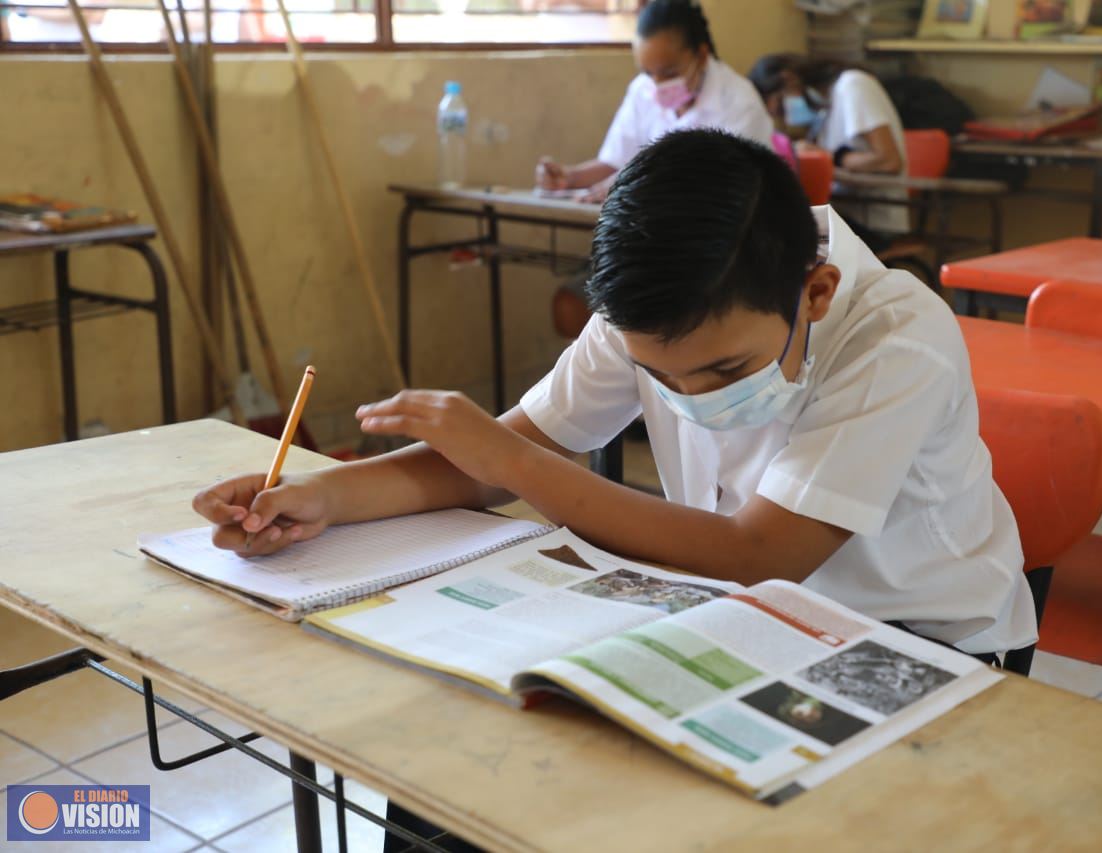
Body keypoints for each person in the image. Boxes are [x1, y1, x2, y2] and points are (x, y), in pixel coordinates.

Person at [194, 129, 1034, 850]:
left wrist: (514, 462)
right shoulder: (646, 311)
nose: (690, 396)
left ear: (814, 292)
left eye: (725, 370)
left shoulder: (897, 335)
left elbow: (760, 552)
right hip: (745, 611)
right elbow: (492, 458)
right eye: (657, 376)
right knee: (465, 747)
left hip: (918, 643)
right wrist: (325, 496)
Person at [535, 0, 773, 203]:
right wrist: (570, 178)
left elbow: (729, 188)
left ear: (701, 56)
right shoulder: (642, 90)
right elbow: (616, 161)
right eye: (648, 73)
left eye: (669, 73)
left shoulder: (740, 105)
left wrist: (635, 183)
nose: (658, 85)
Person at [749, 53, 910, 246]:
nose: (785, 115)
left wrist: (828, 158)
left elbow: (889, 161)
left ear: (788, 79)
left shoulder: (853, 84)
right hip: (841, 213)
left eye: (781, 107)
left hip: (871, 221)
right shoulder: (824, 105)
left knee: (776, 236)